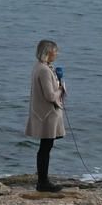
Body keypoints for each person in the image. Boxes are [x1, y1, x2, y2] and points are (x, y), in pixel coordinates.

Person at [26, 39, 66, 192]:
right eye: (55, 51)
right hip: (47, 115)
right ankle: (43, 182)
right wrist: (61, 89)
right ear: (48, 53)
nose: (57, 54)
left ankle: (43, 180)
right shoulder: (43, 70)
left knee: (45, 148)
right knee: (45, 148)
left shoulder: (40, 67)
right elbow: (50, 95)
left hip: (45, 113)